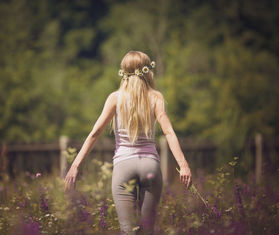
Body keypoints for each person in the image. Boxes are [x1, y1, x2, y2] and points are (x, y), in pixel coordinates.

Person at [64, 51, 191, 234]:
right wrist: (183, 165)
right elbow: (169, 132)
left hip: (123, 166)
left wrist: (75, 165)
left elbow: (95, 133)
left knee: (128, 230)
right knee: (147, 230)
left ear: (123, 72)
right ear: (148, 71)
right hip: (150, 166)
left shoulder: (115, 98)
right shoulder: (156, 97)